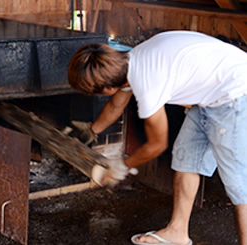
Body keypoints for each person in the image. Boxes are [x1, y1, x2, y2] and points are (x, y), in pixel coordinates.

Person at [67, 30, 247, 245]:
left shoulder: (147, 84)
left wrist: (120, 167)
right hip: (213, 96)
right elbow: (115, 105)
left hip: (236, 94)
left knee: (239, 183)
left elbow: (156, 145)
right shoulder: (130, 62)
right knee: (186, 160)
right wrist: (90, 131)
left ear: (107, 87)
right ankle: (177, 232)